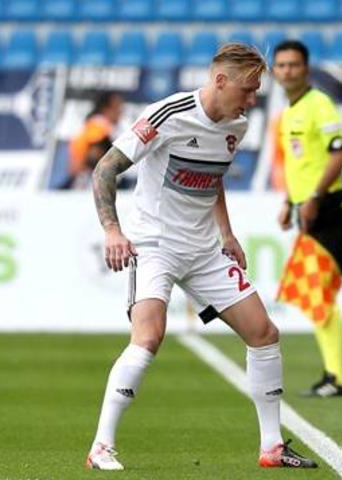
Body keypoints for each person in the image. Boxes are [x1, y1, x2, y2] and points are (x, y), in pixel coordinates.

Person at [85, 43, 316, 471]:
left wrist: (227, 233)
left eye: (256, 93)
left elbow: (214, 177)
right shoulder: (166, 115)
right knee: (149, 336)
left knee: (264, 333)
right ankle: (101, 446)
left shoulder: (237, 127)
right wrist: (113, 230)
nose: (251, 101)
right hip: (154, 244)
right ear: (220, 80)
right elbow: (105, 169)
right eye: (247, 90)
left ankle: (271, 447)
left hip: (205, 249)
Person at [270, 40, 342, 398]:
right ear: (274, 72)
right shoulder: (288, 113)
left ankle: (339, 378)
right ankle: (333, 374)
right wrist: (290, 201)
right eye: (282, 65)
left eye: (294, 64)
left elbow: (339, 156)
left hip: (329, 207)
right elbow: (299, 164)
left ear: (306, 68)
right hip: (308, 207)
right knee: (314, 296)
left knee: (321, 294)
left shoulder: (319, 105)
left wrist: (315, 197)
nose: (288, 71)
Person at [66, 91, 123, 190]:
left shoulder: (95, 125)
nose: (120, 112)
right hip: (86, 180)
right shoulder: (99, 127)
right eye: (117, 108)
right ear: (106, 108)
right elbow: (93, 156)